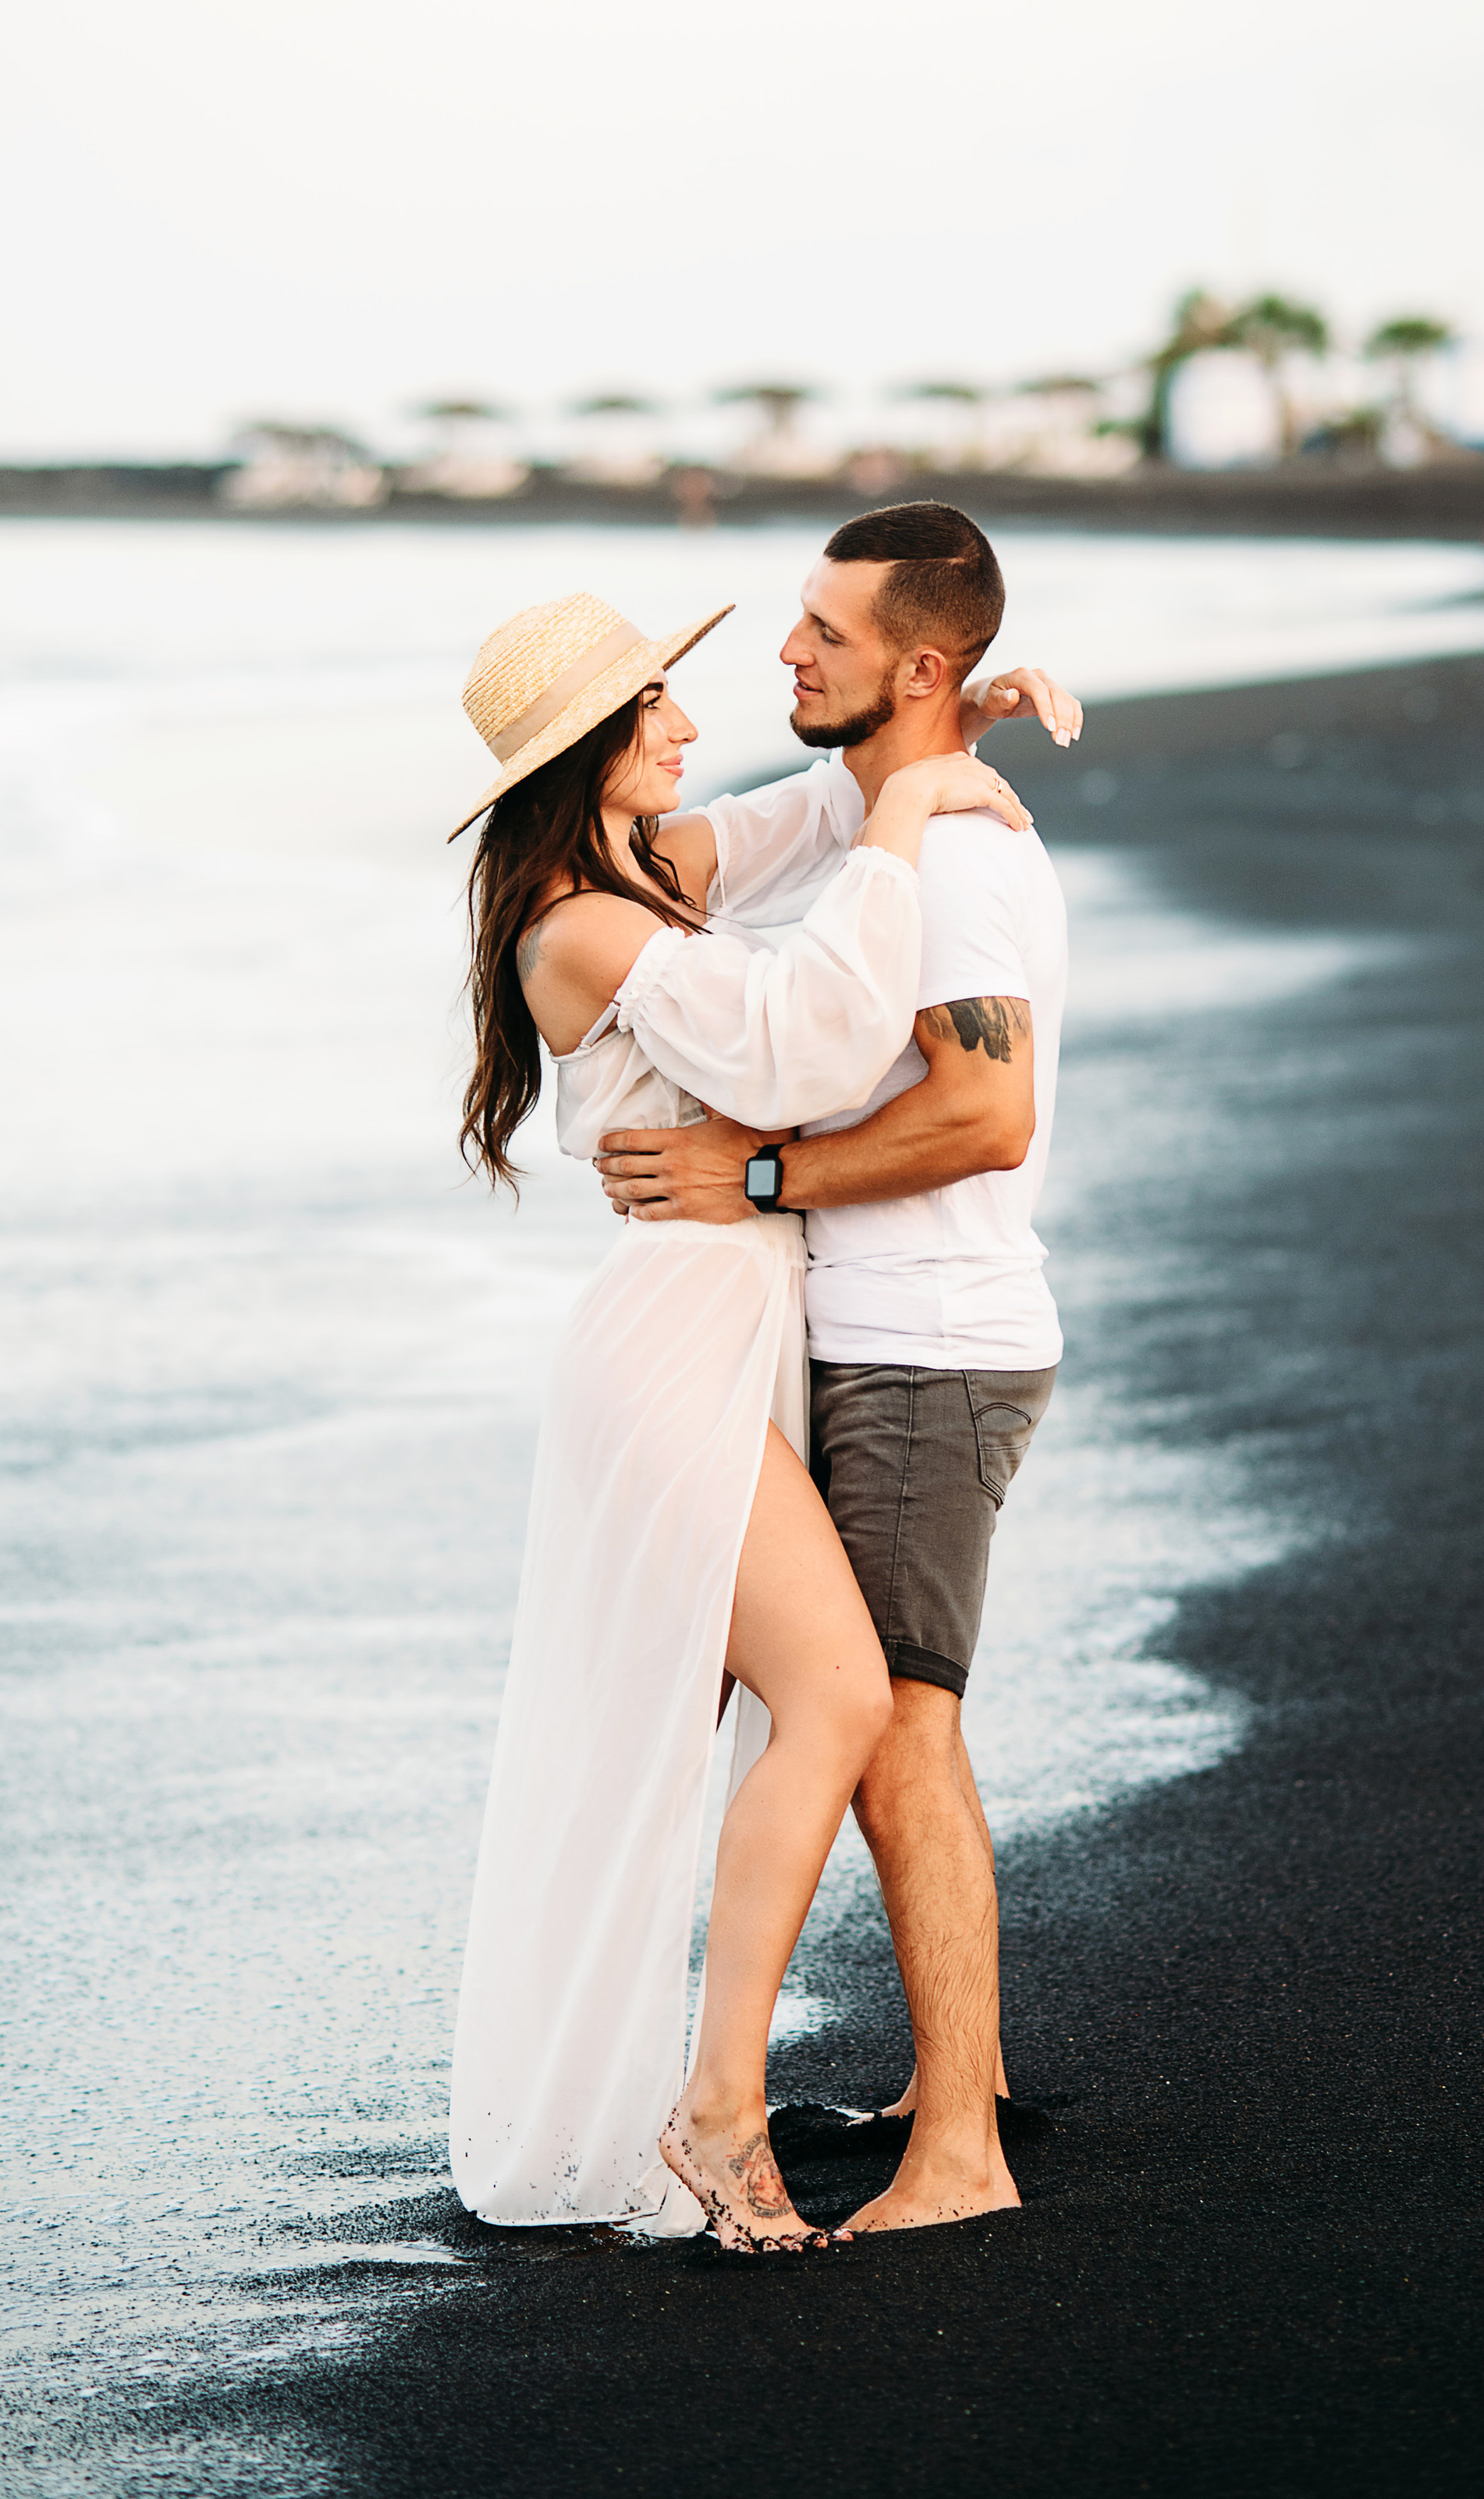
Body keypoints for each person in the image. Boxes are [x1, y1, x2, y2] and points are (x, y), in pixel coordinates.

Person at [444, 585, 1035, 2252]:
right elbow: (803, 1043)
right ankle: (717, 2104)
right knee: (838, 1695)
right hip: (669, 1349)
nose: (690, 728)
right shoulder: (579, 921)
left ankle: (705, 2099)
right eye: (656, 710)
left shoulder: (652, 873)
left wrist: (936, 738)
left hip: (722, 1331)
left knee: (762, 1713)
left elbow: (800, 824)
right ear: (592, 747)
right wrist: (911, 812)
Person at [594, 503, 1080, 2231]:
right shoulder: (875, 826)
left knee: (900, 1739)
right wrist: (942, 743)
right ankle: (964, 2085)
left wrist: (763, 1178)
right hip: (867, 1344)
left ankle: (958, 2151)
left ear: (915, 664)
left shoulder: (950, 866)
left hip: (921, 1348)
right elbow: (728, 862)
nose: (783, 657)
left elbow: (983, 1108)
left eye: (823, 632)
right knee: (886, 1723)